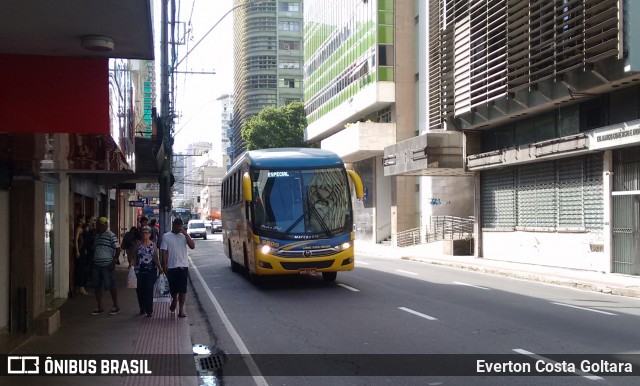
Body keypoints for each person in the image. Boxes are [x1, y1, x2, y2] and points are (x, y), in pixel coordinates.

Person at [160, 218, 195, 318]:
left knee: (183, 290)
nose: (178, 228)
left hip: (183, 266)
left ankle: (181, 310)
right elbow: (164, 252)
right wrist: (164, 264)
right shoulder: (166, 236)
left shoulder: (184, 236)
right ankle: (174, 299)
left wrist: (185, 233)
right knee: (173, 289)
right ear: (173, 225)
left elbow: (192, 246)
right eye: (177, 226)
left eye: (180, 226)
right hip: (171, 267)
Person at [129, 226, 164, 317]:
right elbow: (133, 255)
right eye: (143, 232)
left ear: (150, 234)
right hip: (139, 270)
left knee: (148, 289)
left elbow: (155, 257)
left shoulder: (153, 245)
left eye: (147, 233)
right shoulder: (138, 244)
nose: (145, 234)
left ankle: (149, 310)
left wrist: (160, 268)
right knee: (139, 289)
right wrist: (132, 265)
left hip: (151, 270)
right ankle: (142, 307)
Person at [89, 217, 121, 315]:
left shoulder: (111, 235)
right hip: (97, 264)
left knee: (110, 285)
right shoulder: (97, 236)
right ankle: (99, 307)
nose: (98, 227)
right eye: (97, 225)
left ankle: (116, 306)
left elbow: (118, 248)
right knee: (97, 286)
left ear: (105, 225)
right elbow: (94, 249)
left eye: (100, 225)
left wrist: (114, 261)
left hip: (107, 265)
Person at [73, 215, 89, 295]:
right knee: (80, 269)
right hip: (80, 250)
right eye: (83, 218)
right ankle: (80, 286)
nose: (84, 220)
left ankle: (80, 286)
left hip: (83, 250)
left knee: (81, 268)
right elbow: (76, 240)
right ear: (80, 219)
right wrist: (77, 251)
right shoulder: (79, 228)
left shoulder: (83, 228)